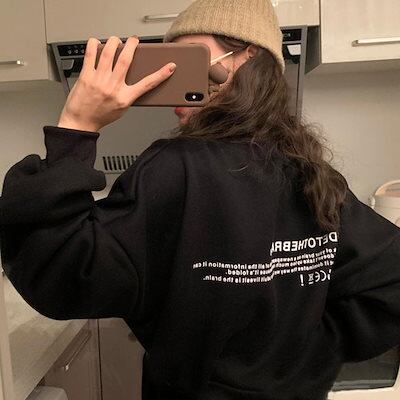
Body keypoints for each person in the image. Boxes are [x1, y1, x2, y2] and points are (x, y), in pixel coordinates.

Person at [1, 0, 400, 399]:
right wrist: (306, 354)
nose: (173, 80)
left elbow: (61, 273)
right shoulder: (313, 172)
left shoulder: (177, 168)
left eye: (190, 62)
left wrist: (77, 125)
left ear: (249, 57)